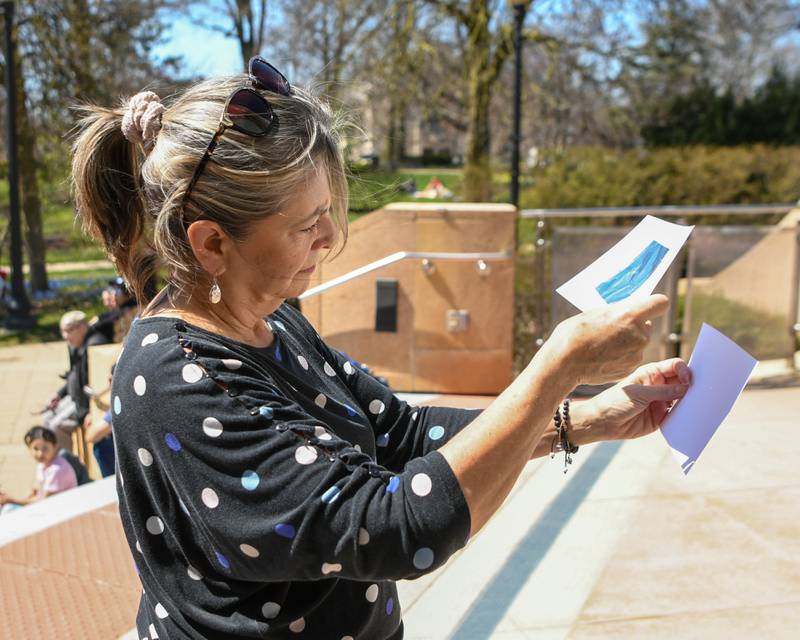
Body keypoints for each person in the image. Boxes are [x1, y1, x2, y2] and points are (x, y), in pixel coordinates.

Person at [70, 58, 690, 640]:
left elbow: (404, 435)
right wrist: (556, 369)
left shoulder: (273, 320)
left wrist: (586, 418)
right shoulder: (178, 375)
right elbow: (391, 528)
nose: (331, 236)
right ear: (211, 245)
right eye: (304, 224)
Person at [42, 310, 109, 451]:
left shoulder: (94, 345)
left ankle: (67, 466)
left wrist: (88, 412)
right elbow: (73, 376)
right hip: (74, 398)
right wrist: (59, 394)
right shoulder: (75, 345)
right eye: (62, 331)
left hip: (85, 404)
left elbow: (98, 384)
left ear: (82, 327)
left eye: (68, 331)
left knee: (56, 427)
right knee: (46, 419)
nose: (65, 336)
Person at [0, 427, 78, 515]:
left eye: (45, 448)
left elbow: (44, 502)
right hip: (48, 506)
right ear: (29, 449)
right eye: (36, 449)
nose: (40, 453)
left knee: (7, 510)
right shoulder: (43, 464)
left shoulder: (57, 470)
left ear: (55, 446)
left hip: (60, 512)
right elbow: (36, 490)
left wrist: (11, 500)